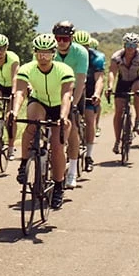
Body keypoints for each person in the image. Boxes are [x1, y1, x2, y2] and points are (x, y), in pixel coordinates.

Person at [9, 34, 74, 209]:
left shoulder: (64, 70)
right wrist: (14, 112)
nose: (42, 57)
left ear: (53, 53)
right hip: (39, 101)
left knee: (58, 145)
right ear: (35, 53)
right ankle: (24, 163)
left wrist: (62, 117)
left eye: (46, 53)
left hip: (59, 105)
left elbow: (67, 94)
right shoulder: (27, 68)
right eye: (39, 52)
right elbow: (20, 92)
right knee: (32, 124)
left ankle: (59, 185)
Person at [51, 21, 88, 188]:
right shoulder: (48, 49)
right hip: (52, 92)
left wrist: (74, 103)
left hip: (74, 91)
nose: (61, 42)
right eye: (58, 38)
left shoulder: (80, 52)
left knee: (71, 126)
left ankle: (72, 170)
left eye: (65, 38)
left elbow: (80, 81)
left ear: (71, 38)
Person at [107, 32, 139, 153]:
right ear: (124, 45)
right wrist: (110, 87)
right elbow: (112, 72)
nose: (130, 48)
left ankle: (138, 121)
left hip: (136, 80)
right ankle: (117, 141)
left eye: (133, 45)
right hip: (122, 82)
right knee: (119, 111)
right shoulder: (117, 56)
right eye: (128, 45)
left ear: (137, 46)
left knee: (137, 90)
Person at [78, 32, 105, 172]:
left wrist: (96, 93)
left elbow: (99, 79)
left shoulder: (97, 58)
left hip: (89, 90)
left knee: (89, 119)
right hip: (73, 89)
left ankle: (88, 156)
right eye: (79, 46)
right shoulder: (71, 55)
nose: (82, 49)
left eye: (85, 46)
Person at [0, 33, 19, 159]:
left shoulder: (13, 59)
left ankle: (11, 148)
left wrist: (13, 94)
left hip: (11, 86)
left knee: (10, 117)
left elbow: (15, 79)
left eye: (2, 48)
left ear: (6, 48)